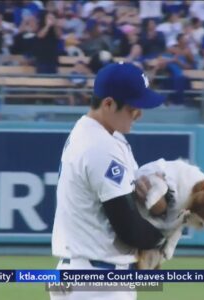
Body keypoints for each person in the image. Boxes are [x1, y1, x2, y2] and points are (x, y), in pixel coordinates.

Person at [51, 62, 172, 300]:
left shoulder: (103, 134)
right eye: (132, 107)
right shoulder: (99, 146)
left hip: (90, 276)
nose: (139, 113)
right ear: (108, 104)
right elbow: (129, 228)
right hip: (95, 282)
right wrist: (166, 235)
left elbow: (140, 199)